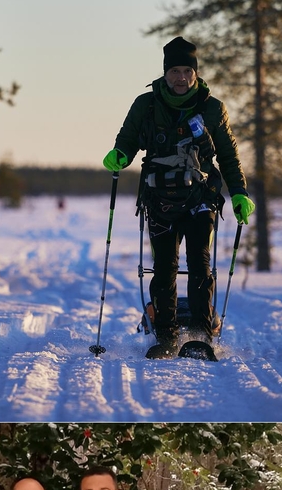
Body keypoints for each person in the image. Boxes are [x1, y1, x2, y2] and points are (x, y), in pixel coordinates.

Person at [103, 36, 254, 359]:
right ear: (165, 72)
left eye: (187, 70)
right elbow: (127, 141)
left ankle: (200, 335)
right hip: (159, 199)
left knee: (200, 263)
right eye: (175, 70)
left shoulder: (212, 109)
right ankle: (166, 336)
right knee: (164, 267)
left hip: (201, 198)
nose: (181, 77)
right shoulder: (146, 105)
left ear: (196, 73)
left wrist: (239, 193)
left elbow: (227, 156)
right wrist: (119, 155)